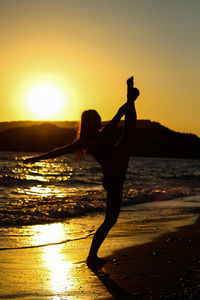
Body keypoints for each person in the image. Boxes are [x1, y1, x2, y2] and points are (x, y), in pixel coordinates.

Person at [24, 77, 140, 269]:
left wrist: (129, 100)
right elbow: (60, 150)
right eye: (94, 119)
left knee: (128, 133)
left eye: (98, 118)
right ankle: (91, 256)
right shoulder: (85, 141)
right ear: (87, 123)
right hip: (113, 182)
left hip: (118, 172)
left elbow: (120, 114)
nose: (98, 121)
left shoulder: (103, 134)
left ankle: (130, 96)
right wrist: (37, 159)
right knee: (110, 220)